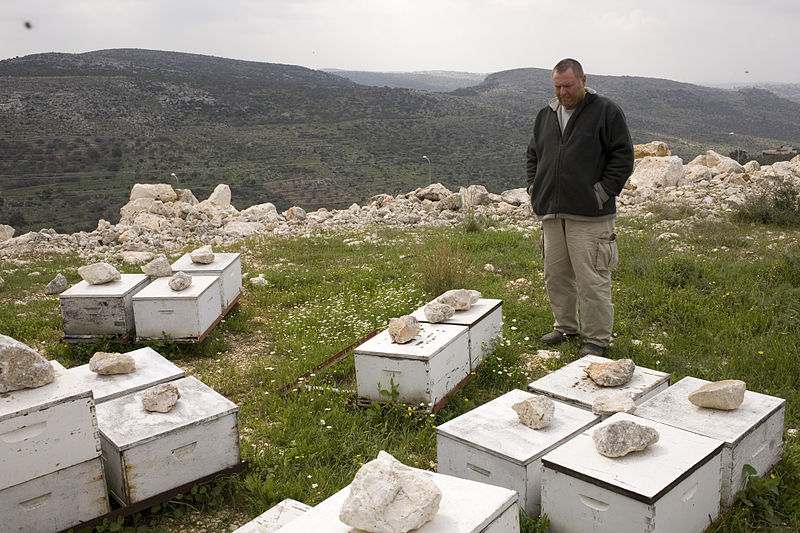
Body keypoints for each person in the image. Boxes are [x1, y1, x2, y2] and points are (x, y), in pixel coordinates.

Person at [526, 58, 634, 357]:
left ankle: (597, 339)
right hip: (551, 212)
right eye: (557, 87)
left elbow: (623, 158)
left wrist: (600, 193)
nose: (562, 92)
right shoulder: (545, 115)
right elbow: (533, 155)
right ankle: (565, 327)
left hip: (591, 215)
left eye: (568, 86)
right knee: (556, 275)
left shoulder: (606, 111)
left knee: (592, 279)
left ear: (583, 81)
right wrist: (534, 189)